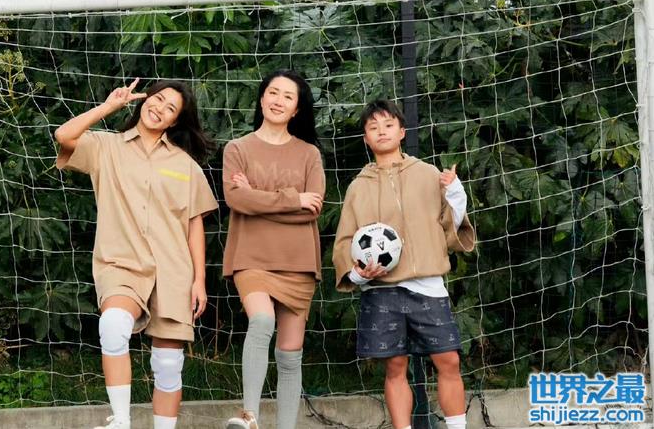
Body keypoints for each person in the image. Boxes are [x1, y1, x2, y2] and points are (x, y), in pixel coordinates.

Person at [55, 78, 218, 429]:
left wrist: (199, 281)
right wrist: (109, 106)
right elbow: (64, 135)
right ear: (145, 100)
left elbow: (194, 225)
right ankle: (121, 421)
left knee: (168, 366)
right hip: (121, 263)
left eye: (170, 108)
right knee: (113, 326)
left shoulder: (185, 165)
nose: (160, 109)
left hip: (173, 270)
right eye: (158, 99)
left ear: (175, 121)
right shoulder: (106, 147)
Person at [332, 99, 476, 429]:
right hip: (380, 291)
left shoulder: (428, 174)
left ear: (402, 132)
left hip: (428, 285)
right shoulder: (358, 187)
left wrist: (455, 192)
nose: (381, 131)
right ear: (365, 139)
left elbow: (452, 226)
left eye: (388, 125)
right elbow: (344, 241)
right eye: (373, 127)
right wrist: (357, 273)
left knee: (448, 360)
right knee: (395, 366)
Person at [222, 71, 325, 429]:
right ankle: (249, 416)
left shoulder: (309, 153)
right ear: (262, 98)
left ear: (297, 109)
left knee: (290, 355)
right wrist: (292, 199)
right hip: (251, 255)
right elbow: (236, 199)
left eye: (288, 96)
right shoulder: (237, 148)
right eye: (273, 92)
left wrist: (257, 196)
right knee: (262, 320)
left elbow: (312, 209)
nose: (278, 100)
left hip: (299, 260)